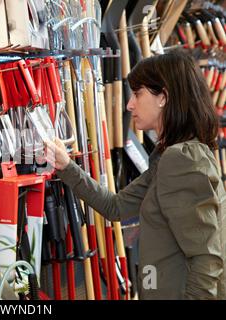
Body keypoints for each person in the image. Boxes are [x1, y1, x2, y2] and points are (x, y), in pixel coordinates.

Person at [45, 51, 226, 300]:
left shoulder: (182, 160)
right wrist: (66, 166)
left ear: (163, 97)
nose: (130, 104)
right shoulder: (169, 157)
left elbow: (207, 256)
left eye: (138, 94)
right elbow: (115, 206)